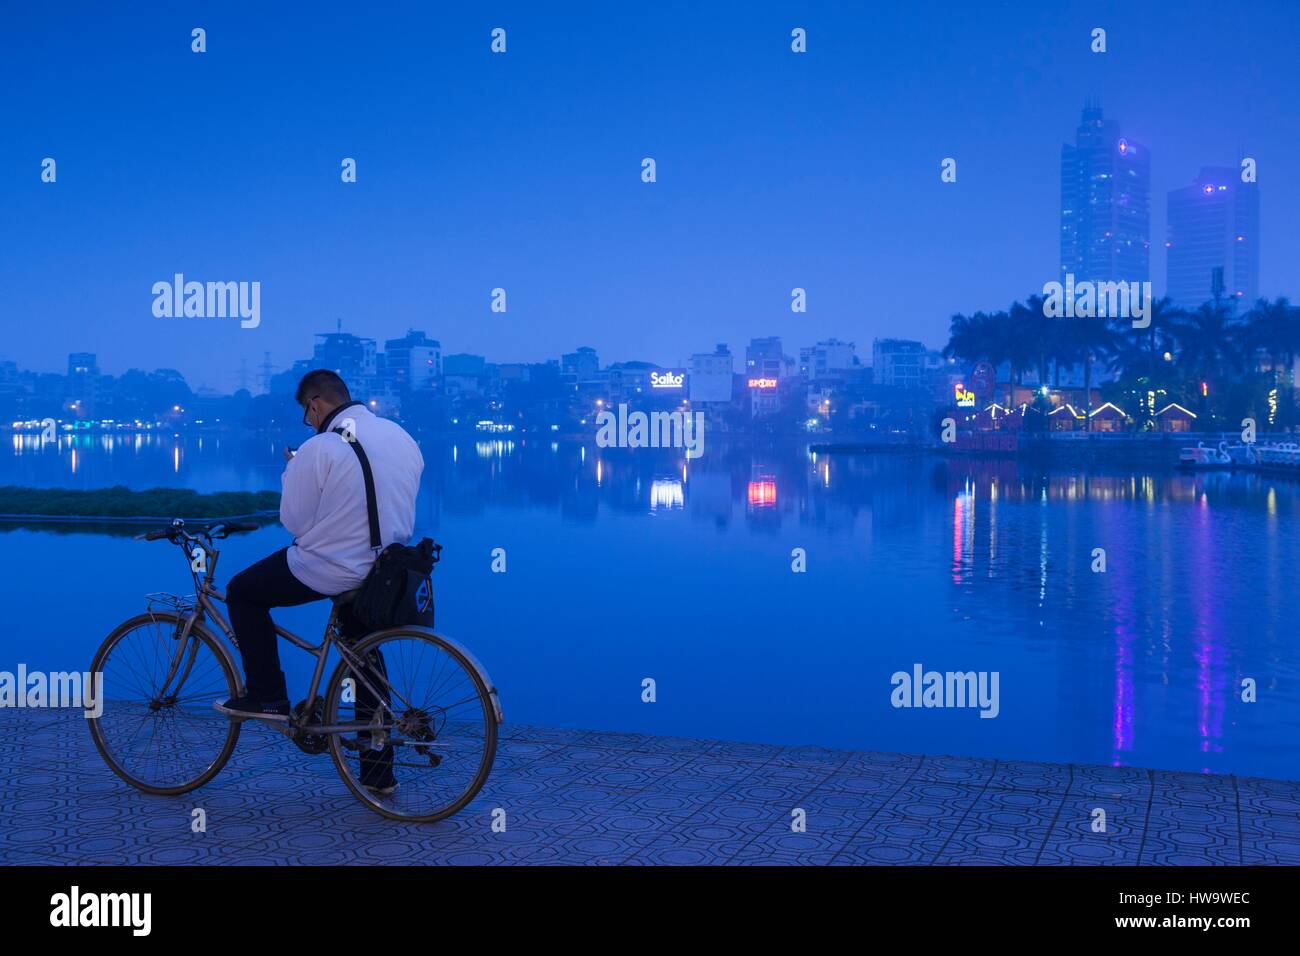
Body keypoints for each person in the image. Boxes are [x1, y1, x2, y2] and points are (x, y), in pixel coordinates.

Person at [215, 369, 424, 793]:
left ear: (315, 404)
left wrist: (293, 471)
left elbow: (293, 521)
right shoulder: (400, 436)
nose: (309, 423)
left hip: (333, 566)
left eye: (306, 414)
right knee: (362, 658)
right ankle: (377, 770)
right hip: (386, 570)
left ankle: (266, 695)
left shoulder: (320, 446)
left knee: (243, 592)